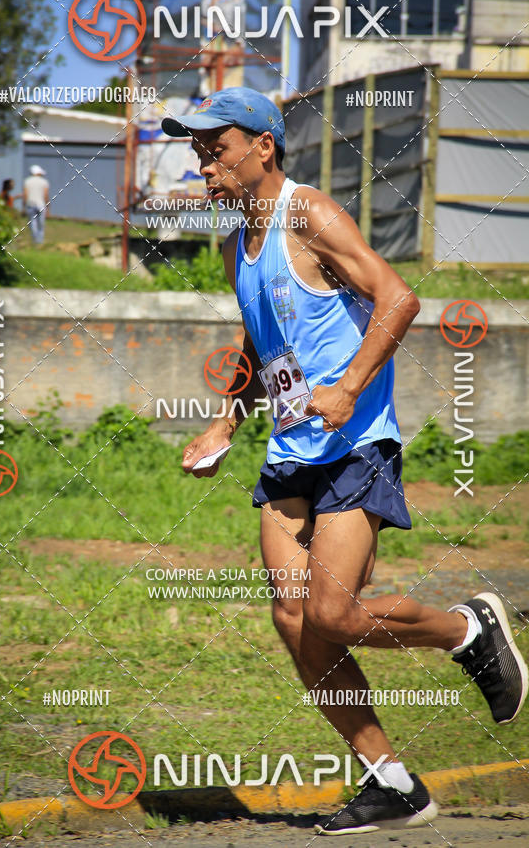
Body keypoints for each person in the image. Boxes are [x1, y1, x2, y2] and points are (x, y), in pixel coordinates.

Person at [161, 87, 528, 836]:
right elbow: (259, 348)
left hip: (355, 444)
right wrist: (225, 424)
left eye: (216, 145)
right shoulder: (240, 241)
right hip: (290, 454)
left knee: (334, 613)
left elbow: (398, 298)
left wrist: (349, 386)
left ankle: (467, 630)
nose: (204, 162)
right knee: (297, 623)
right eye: (198, 149)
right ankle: (392, 784)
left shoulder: (310, 214)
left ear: (263, 146)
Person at [23, 165, 49, 245]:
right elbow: (45, 195)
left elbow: (25, 194)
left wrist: (24, 205)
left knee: (33, 223)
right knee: (41, 224)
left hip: (30, 204)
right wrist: (48, 206)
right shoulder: (44, 182)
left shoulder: (27, 181)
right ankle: (40, 241)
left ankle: (35, 241)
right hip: (41, 204)